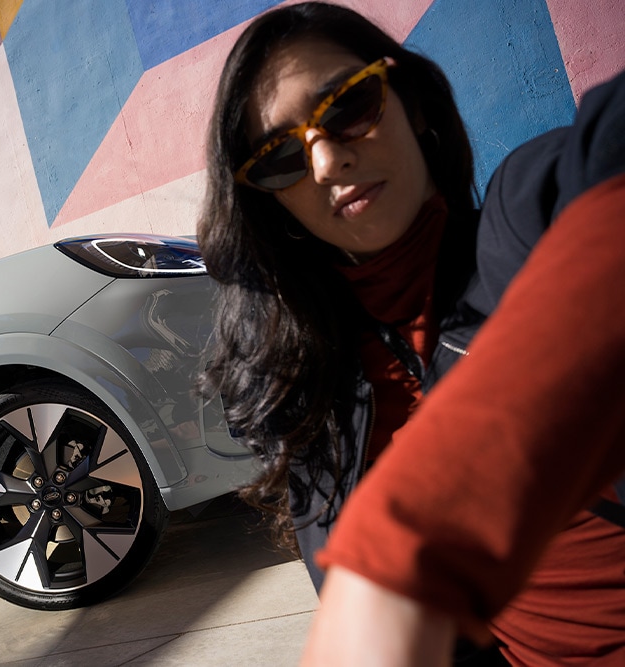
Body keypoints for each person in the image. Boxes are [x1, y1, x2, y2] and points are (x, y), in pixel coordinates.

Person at [196, 3, 625, 664]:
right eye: (279, 156)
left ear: (414, 103)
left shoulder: (522, 226)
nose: (326, 160)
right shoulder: (306, 390)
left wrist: (403, 537)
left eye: (346, 104)